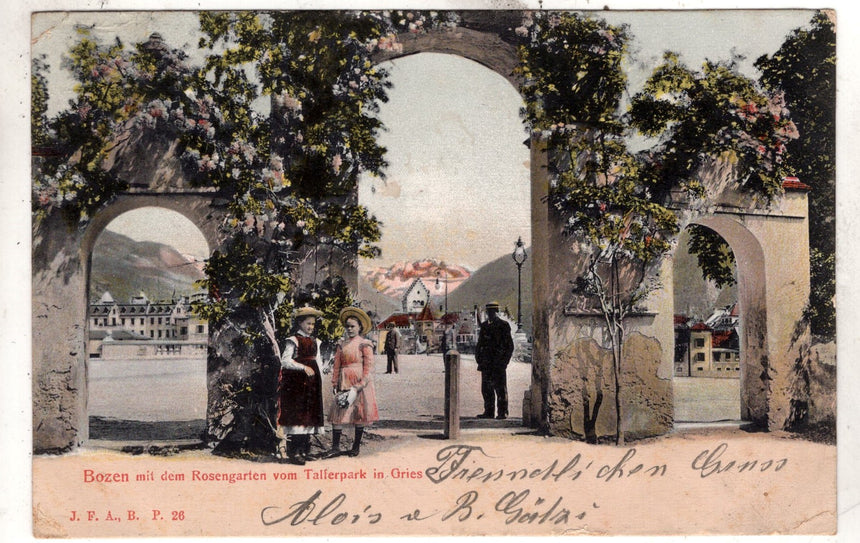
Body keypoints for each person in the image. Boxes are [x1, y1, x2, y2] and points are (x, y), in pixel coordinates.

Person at [325, 306, 379, 457]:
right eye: (347, 326)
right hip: (344, 381)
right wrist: (335, 382)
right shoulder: (341, 344)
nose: (349, 329)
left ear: (360, 327)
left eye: (352, 326)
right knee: (338, 413)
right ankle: (335, 447)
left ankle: (356, 447)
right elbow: (337, 365)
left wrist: (360, 385)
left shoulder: (364, 344)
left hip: (359, 382)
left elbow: (368, 368)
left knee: (358, 414)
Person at [276, 305, 325, 465]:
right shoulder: (293, 340)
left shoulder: (315, 341)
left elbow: (318, 361)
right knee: (298, 414)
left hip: (312, 383)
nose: (311, 327)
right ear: (300, 323)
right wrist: (303, 367)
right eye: (308, 323)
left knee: (310, 413)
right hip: (297, 384)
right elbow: (285, 361)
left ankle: (304, 450)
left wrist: (321, 378)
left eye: (313, 324)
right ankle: (294, 451)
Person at [474, 301, 514, 420]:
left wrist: (504, 362)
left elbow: (509, 346)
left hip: (498, 363)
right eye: (489, 312)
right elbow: (480, 344)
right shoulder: (484, 326)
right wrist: (479, 358)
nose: (490, 314)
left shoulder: (504, 325)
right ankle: (489, 411)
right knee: (486, 389)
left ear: (496, 311)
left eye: (492, 311)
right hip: (486, 363)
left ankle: (502, 412)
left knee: (500, 388)